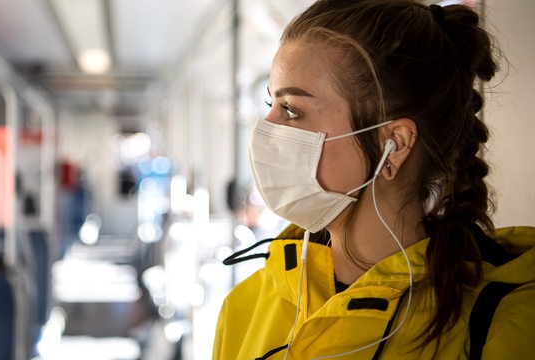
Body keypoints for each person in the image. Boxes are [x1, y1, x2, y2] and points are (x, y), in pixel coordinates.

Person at [213, 1, 535, 359]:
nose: (265, 128)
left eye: (291, 109)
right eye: (270, 103)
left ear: (393, 145)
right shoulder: (244, 307)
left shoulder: (508, 323)